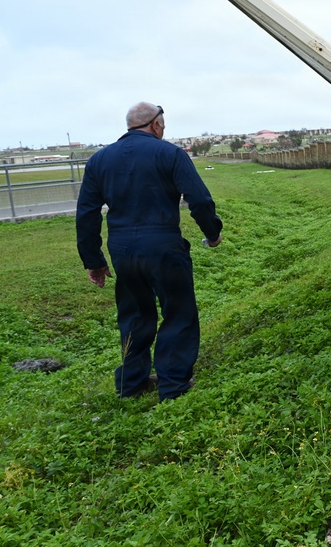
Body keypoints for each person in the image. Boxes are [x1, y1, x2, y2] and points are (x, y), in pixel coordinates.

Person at [76, 102, 223, 401]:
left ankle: (132, 385)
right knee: (178, 312)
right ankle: (173, 385)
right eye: (164, 125)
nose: (164, 129)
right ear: (156, 125)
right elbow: (200, 200)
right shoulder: (170, 154)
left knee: (134, 315)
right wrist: (213, 233)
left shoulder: (99, 160)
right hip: (163, 247)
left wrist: (94, 260)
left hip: (122, 251)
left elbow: (87, 214)